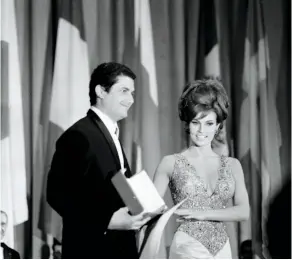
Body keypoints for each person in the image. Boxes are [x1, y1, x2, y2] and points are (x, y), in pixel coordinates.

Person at [47, 62, 151, 259]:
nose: (130, 100)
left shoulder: (109, 134)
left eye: (132, 93)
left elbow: (114, 186)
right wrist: (108, 220)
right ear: (101, 91)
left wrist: (142, 210)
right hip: (92, 250)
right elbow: (56, 194)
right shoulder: (79, 135)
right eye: (124, 91)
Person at [153, 78, 250, 259]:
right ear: (187, 124)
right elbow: (149, 210)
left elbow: (244, 211)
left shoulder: (233, 165)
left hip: (223, 249)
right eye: (196, 122)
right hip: (187, 248)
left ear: (218, 125)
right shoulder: (170, 163)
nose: (201, 131)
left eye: (209, 123)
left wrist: (202, 214)